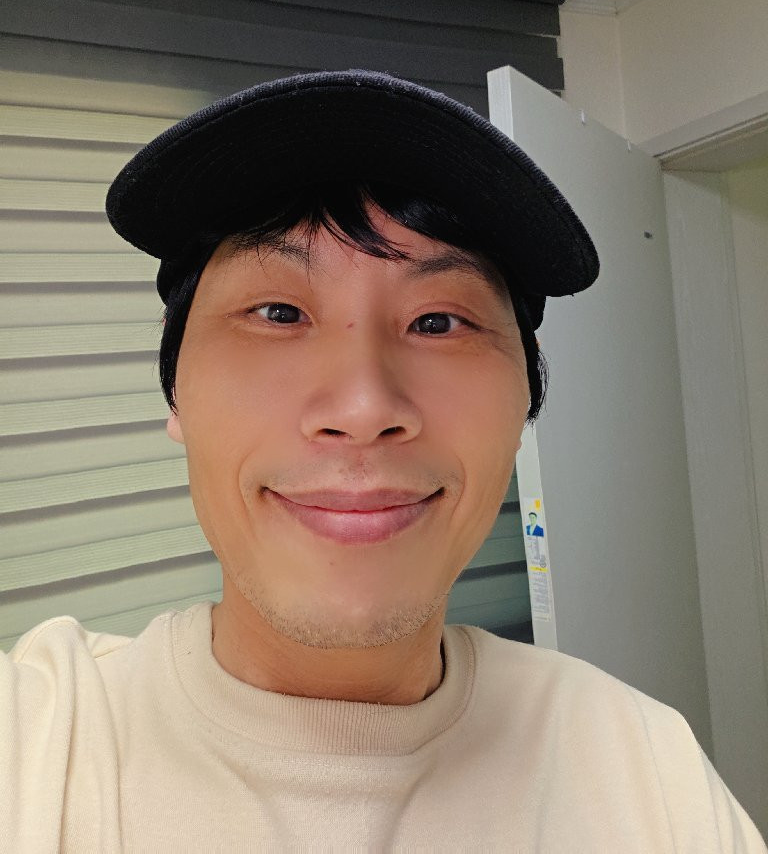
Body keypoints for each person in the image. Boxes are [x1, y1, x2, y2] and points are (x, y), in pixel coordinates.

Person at [2, 70, 765, 852]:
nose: (364, 408)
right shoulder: (33, 747)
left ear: (523, 406)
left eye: (438, 322)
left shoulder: (648, 773)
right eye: (278, 312)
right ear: (175, 392)